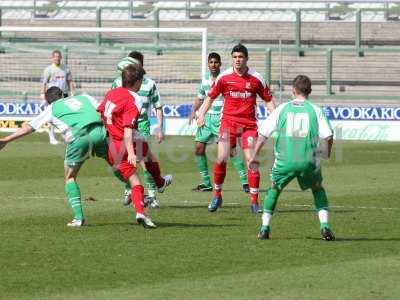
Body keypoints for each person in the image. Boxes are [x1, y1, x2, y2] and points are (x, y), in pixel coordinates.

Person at [0, 87, 107, 227]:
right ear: (63, 94)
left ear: (48, 101)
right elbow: (102, 110)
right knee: (117, 163)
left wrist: (7, 139)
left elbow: (30, 127)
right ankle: (132, 192)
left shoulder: (51, 108)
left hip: (78, 138)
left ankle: (79, 218)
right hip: (99, 132)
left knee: (70, 178)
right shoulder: (83, 97)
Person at [250, 75, 335, 241]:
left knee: (274, 189)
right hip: (308, 161)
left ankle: (264, 228)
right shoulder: (315, 110)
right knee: (318, 189)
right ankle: (324, 226)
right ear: (309, 91)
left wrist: (254, 155)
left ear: (293, 90)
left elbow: (262, 134)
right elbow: (329, 136)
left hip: (285, 161)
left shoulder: (282, 109)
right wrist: (327, 153)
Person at [197, 44, 275, 214]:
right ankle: (217, 195)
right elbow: (209, 98)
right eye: (235, 57)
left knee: (251, 161)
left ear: (246, 58)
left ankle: (254, 201)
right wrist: (201, 114)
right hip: (228, 124)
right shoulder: (224, 77)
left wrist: (276, 118)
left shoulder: (256, 78)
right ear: (232, 58)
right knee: (221, 158)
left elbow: (268, 100)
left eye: (240, 57)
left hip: (248, 125)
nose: (237, 60)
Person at [98, 64, 172, 229]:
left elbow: (100, 111)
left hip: (112, 146)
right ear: (137, 81)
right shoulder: (134, 98)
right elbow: (128, 129)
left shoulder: (111, 93)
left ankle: (140, 212)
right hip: (127, 142)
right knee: (150, 156)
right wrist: (131, 152)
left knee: (134, 181)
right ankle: (160, 183)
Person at [189, 52, 249, 193]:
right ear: (208, 64)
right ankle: (206, 183)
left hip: (222, 119)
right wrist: (194, 111)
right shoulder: (204, 80)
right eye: (211, 62)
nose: (213, 65)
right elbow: (201, 97)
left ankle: (245, 182)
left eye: (216, 62)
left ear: (220, 64)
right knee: (199, 148)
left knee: (230, 151)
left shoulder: (225, 78)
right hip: (206, 119)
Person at [111, 51, 164, 208]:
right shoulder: (117, 82)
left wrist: (160, 127)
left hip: (141, 125)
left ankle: (152, 195)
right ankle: (129, 188)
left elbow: (158, 106)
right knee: (123, 159)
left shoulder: (149, 84)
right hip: (122, 126)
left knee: (143, 161)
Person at [41, 50, 75, 145]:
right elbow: (44, 83)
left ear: (61, 57)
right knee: (53, 116)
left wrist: (72, 93)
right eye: (55, 56)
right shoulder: (48, 69)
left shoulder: (66, 68)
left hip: (64, 95)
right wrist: (43, 95)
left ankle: (65, 135)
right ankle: (52, 137)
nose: (57, 58)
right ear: (52, 58)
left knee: (65, 116)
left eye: (58, 56)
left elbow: (70, 81)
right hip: (53, 96)